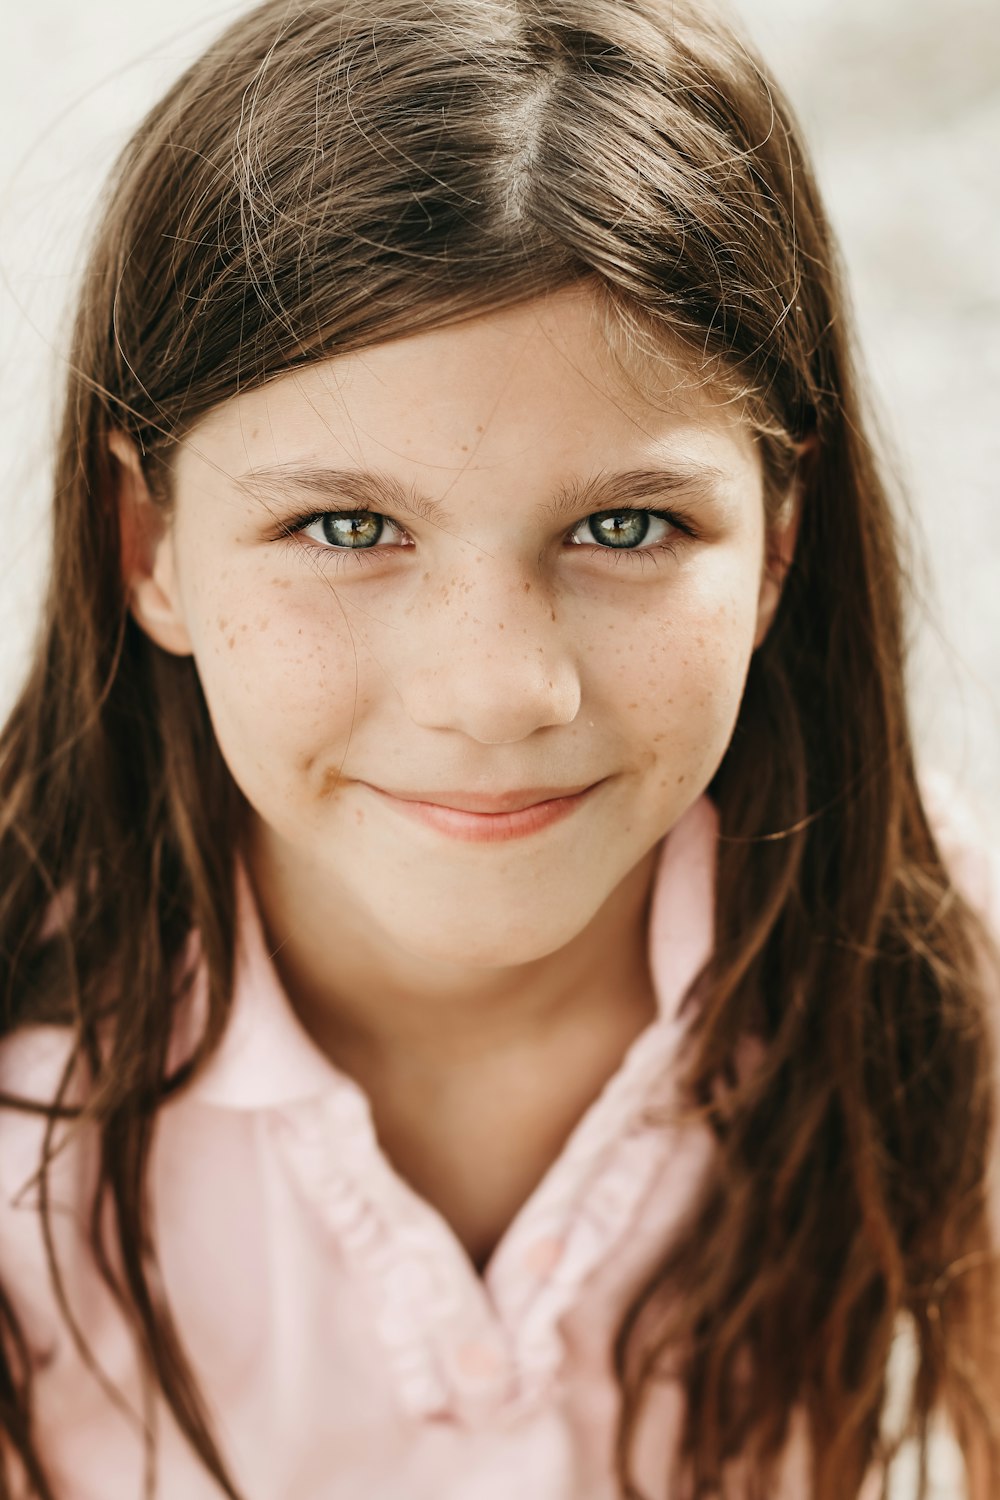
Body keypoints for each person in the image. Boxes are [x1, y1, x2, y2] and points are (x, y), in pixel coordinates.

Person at [0, 0, 997, 1496]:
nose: (498, 691)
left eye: (626, 527)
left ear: (780, 539)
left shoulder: (934, 981)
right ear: (147, 547)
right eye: (345, 528)